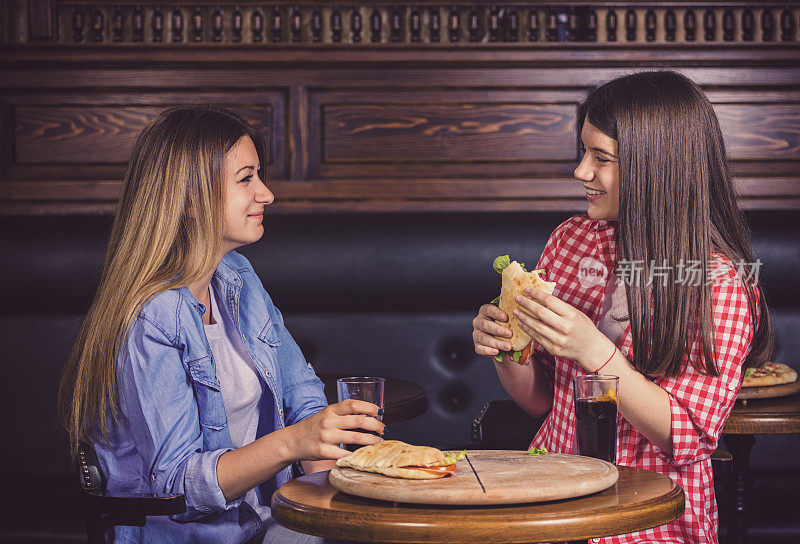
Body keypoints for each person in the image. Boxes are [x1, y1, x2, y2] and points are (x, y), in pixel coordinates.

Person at [57, 105, 384, 543]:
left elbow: (302, 397)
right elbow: (177, 482)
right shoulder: (152, 316)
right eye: (246, 178)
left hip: (266, 521)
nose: (266, 194)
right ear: (190, 200)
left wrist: (333, 507)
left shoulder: (237, 278)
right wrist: (293, 443)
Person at [471, 71, 774, 544]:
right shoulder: (572, 240)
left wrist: (594, 350)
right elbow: (543, 403)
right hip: (555, 497)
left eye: (602, 158)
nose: (581, 171)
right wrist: (509, 352)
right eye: (584, 151)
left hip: (647, 514)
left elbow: (688, 437)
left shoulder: (716, 282)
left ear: (656, 168)